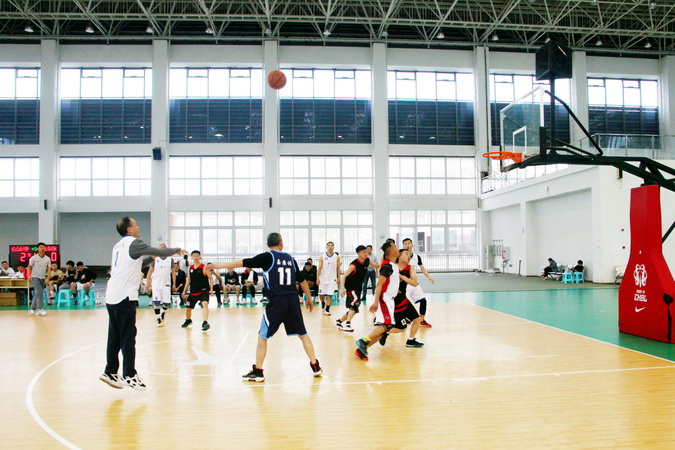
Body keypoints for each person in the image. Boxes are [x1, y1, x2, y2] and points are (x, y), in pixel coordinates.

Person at [206, 232, 322, 382]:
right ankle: (315, 366)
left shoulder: (268, 257)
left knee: (262, 336)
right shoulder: (290, 259)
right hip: (292, 301)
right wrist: (309, 299)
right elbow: (302, 281)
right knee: (303, 334)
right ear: (281, 242)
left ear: (268, 244)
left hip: (277, 302)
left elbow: (242, 262)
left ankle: (258, 371)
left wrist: (217, 266)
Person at [99, 216, 185, 391]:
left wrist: (151, 258)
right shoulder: (134, 243)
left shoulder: (118, 246)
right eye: (135, 225)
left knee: (114, 335)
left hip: (112, 296)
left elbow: (137, 264)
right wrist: (176, 250)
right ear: (129, 229)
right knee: (128, 336)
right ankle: (129, 374)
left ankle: (110, 371)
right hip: (124, 297)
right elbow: (160, 251)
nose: (138, 227)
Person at [354, 241, 400, 361]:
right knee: (388, 324)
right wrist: (375, 302)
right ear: (391, 251)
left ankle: (361, 350)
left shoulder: (392, 265)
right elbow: (379, 284)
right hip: (384, 298)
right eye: (395, 247)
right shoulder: (387, 266)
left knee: (384, 330)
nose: (397, 248)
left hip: (389, 298)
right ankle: (363, 341)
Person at [378, 249, 424, 348]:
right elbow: (382, 283)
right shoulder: (392, 267)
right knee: (401, 328)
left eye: (410, 254)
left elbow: (414, 283)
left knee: (417, 319)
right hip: (394, 302)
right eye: (406, 254)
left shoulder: (410, 268)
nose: (409, 256)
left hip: (404, 300)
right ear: (399, 256)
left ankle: (411, 340)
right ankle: (384, 332)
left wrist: (402, 277)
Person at [336, 245, 379, 332]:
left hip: (358, 288)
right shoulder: (354, 265)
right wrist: (342, 288)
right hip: (351, 287)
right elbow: (344, 276)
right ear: (358, 254)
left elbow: (376, 265)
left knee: (354, 308)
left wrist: (389, 263)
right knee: (356, 303)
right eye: (363, 252)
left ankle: (339, 321)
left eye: (366, 252)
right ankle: (348, 324)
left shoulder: (367, 260)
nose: (365, 254)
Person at [402, 238, 434, 328]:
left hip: (414, 283)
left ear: (412, 245)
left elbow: (422, 268)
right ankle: (401, 319)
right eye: (405, 243)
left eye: (409, 243)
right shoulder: (400, 257)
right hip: (405, 284)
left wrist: (428, 276)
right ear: (403, 246)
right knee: (404, 303)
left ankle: (421, 320)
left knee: (423, 301)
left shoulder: (416, 257)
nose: (407, 245)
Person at [181, 250, 213, 331]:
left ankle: (205, 322)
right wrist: (184, 291)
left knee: (205, 304)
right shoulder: (190, 267)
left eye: (197, 256)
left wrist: (211, 289)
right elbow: (188, 280)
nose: (195, 257)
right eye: (194, 256)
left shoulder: (204, 267)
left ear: (200, 257)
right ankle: (188, 320)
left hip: (203, 291)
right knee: (188, 309)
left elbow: (211, 278)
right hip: (193, 291)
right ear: (191, 257)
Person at [146, 245, 173, 327]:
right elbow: (150, 271)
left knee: (166, 303)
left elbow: (173, 272)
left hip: (166, 284)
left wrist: (174, 284)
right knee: (156, 302)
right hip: (156, 284)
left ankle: (163, 312)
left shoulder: (170, 259)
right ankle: (158, 318)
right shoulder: (155, 259)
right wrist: (148, 283)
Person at [27, 242, 51, 316]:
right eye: (40, 247)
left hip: (42, 278)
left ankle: (32, 309)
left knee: (36, 293)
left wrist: (48, 278)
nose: (42, 248)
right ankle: (40, 308)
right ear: (38, 248)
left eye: (43, 247)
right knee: (39, 291)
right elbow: (29, 267)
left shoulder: (47, 258)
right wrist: (29, 275)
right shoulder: (33, 258)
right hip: (35, 277)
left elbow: (49, 269)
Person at [317, 241, 341, 315]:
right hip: (323, 278)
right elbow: (319, 268)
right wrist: (317, 278)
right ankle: (323, 303)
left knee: (330, 295)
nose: (330, 247)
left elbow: (338, 268)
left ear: (333, 247)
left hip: (332, 279)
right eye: (329, 245)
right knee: (321, 295)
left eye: (332, 245)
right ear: (326, 247)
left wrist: (339, 278)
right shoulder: (322, 256)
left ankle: (327, 309)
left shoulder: (337, 257)